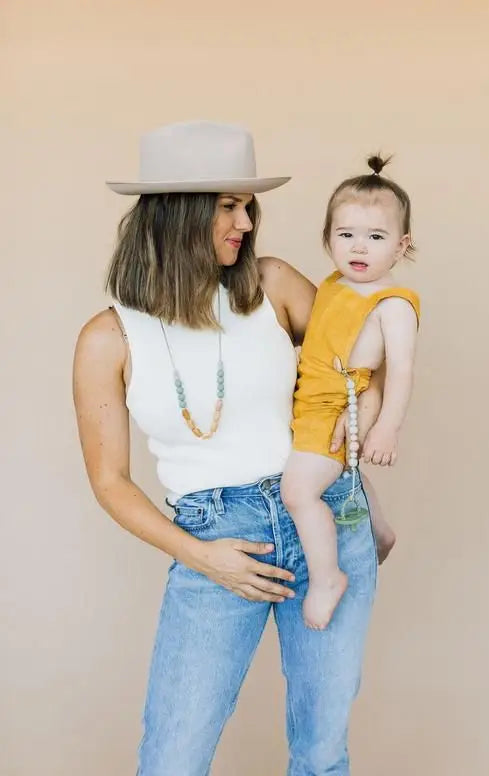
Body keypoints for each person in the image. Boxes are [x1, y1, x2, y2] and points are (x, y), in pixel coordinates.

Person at [72, 120, 385, 776]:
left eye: (247, 206)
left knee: (322, 753)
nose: (245, 222)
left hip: (324, 519)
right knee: (173, 758)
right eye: (226, 206)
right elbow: (110, 481)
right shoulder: (108, 337)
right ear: (176, 215)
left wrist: (354, 440)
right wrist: (202, 557)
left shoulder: (271, 285)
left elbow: (362, 361)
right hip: (216, 535)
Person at [280, 155, 420, 630]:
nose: (359, 247)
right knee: (339, 471)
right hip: (309, 397)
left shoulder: (393, 304)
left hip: (336, 405)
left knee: (299, 491)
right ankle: (379, 529)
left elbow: (400, 371)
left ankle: (327, 578)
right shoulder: (337, 284)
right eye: (346, 235)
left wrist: (385, 428)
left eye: (376, 237)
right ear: (328, 238)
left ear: (401, 245)